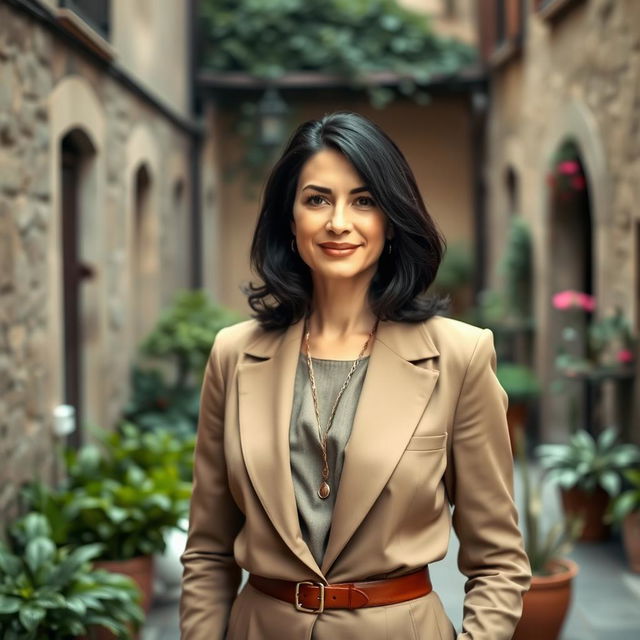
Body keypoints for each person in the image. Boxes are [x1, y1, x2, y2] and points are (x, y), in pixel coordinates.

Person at [180, 111, 531, 640]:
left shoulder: (459, 355)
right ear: (288, 218)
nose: (338, 221)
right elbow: (208, 549)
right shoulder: (234, 354)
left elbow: (498, 561)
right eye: (317, 199)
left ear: (391, 220)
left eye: (363, 201)